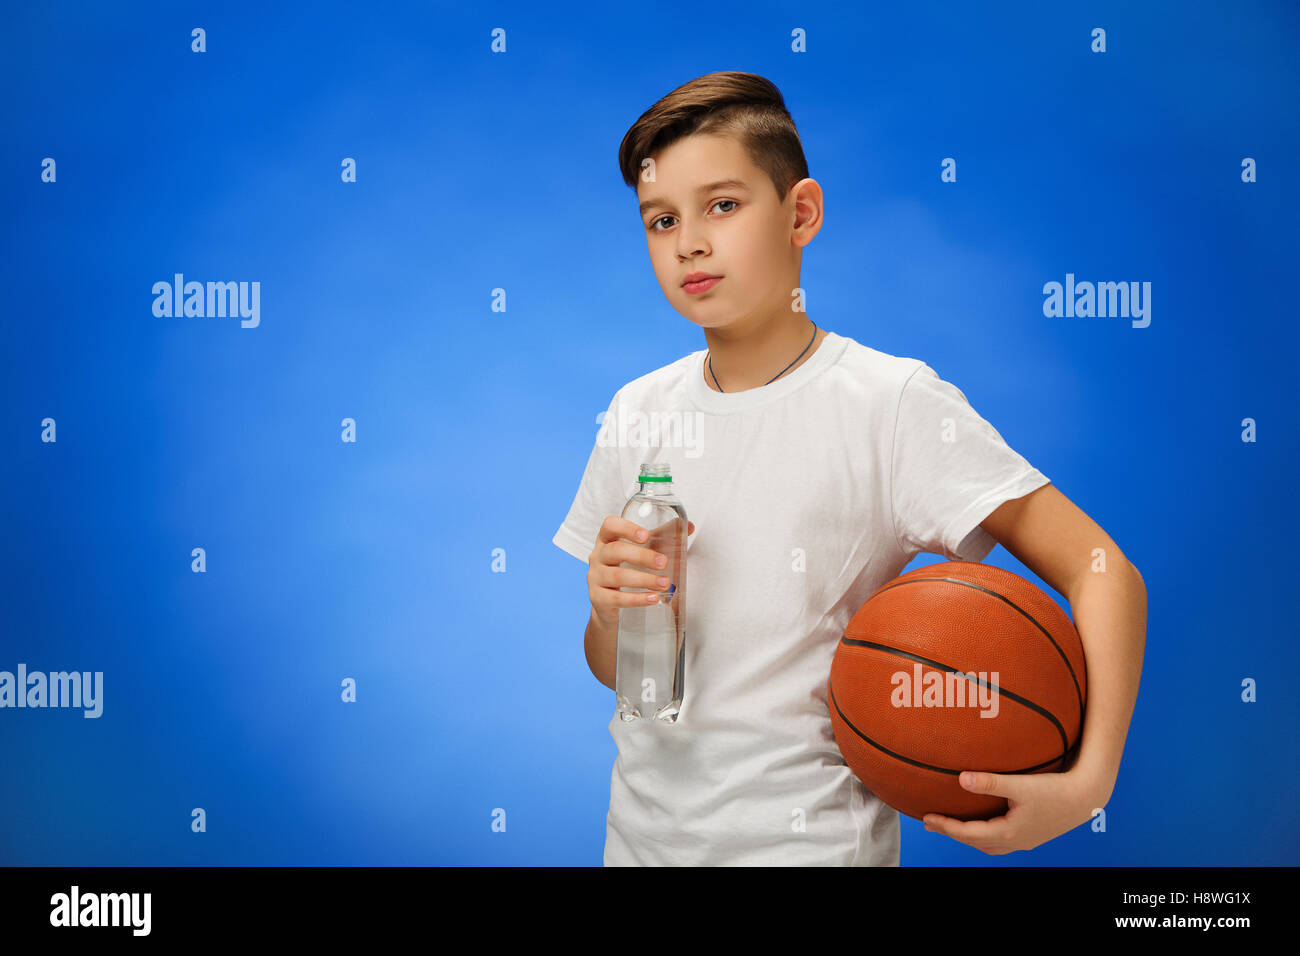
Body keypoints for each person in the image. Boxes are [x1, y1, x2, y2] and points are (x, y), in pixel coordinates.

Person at [551, 72, 1146, 866]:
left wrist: (1089, 784)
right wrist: (611, 617)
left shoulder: (890, 404)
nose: (689, 241)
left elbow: (1105, 571)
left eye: (722, 206)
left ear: (801, 213)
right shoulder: (635, 410)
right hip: (637, 844)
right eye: (662, 220)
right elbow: (613, 669)